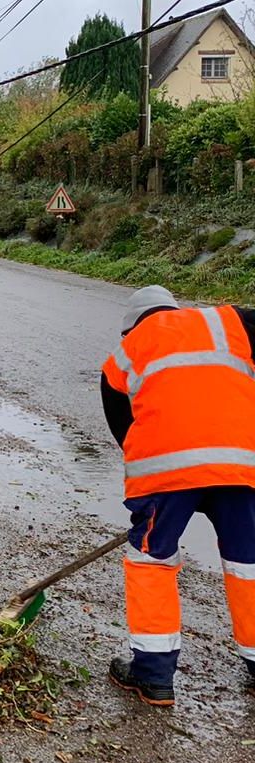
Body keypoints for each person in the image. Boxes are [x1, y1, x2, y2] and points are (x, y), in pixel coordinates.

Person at [100, 284, 255, 707]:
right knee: (248, 564)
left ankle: (153, 677)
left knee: (152, 559)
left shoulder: (125, 354)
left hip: (165, 476)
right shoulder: (230, 321)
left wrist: (151, 476)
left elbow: (123, 427)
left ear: (130, 328)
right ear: (174, 309)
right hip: (239, 466)